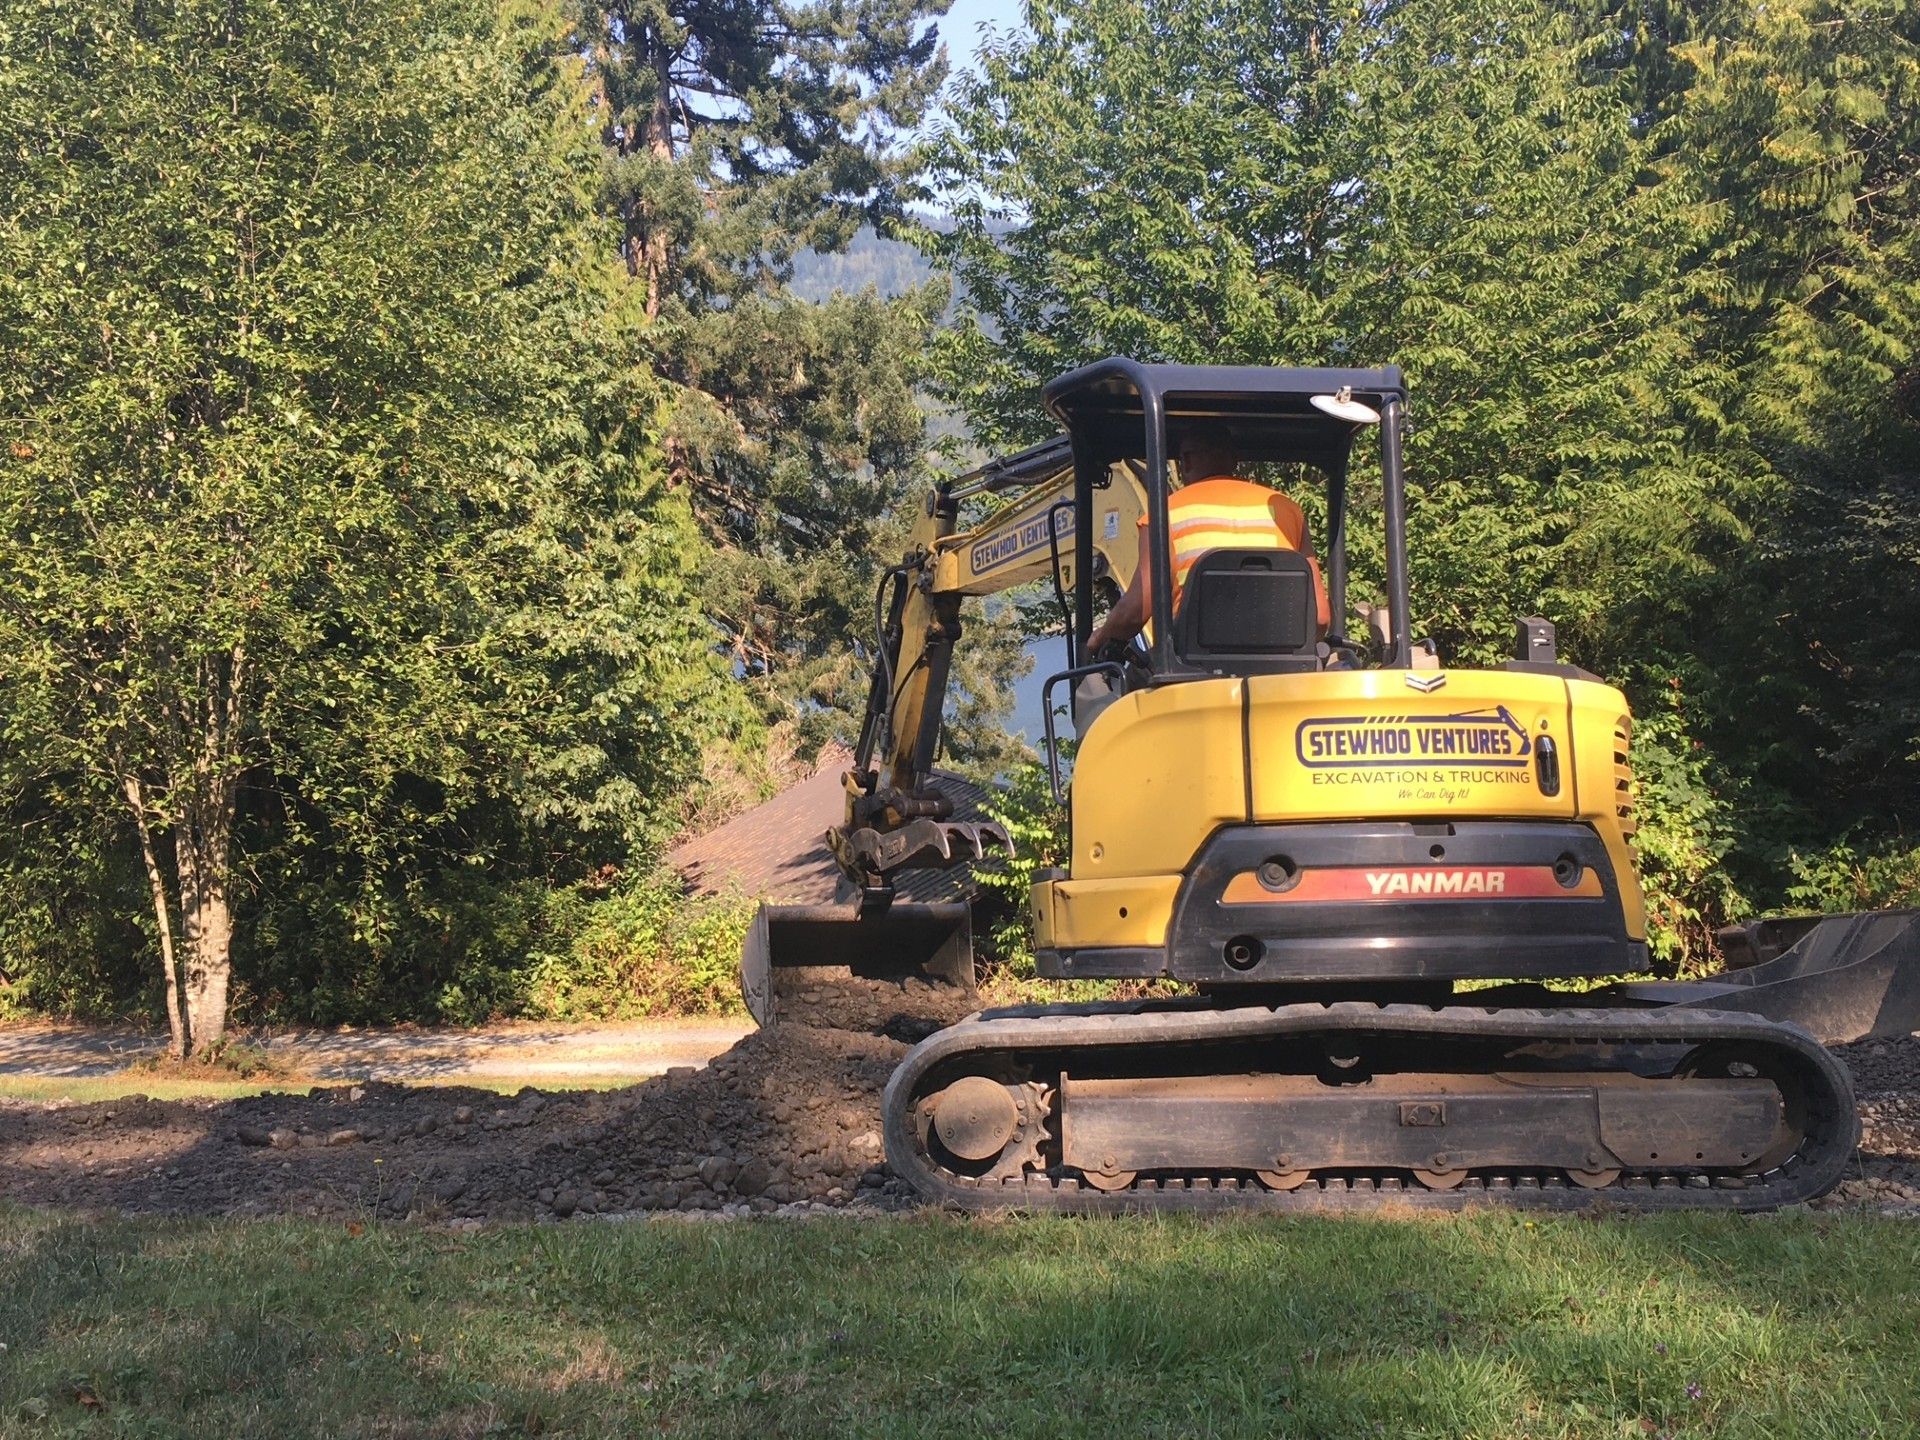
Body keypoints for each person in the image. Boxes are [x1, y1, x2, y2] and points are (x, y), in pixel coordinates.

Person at [1085, 422, 1331, 657]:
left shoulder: (1164, 515)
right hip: (1281, 676)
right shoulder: (1287, 510)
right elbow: (1320, 617)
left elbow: (1135, 612)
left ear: (1187, 460)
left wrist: (1101, 636)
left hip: (1192, 677)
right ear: (1234, 460)